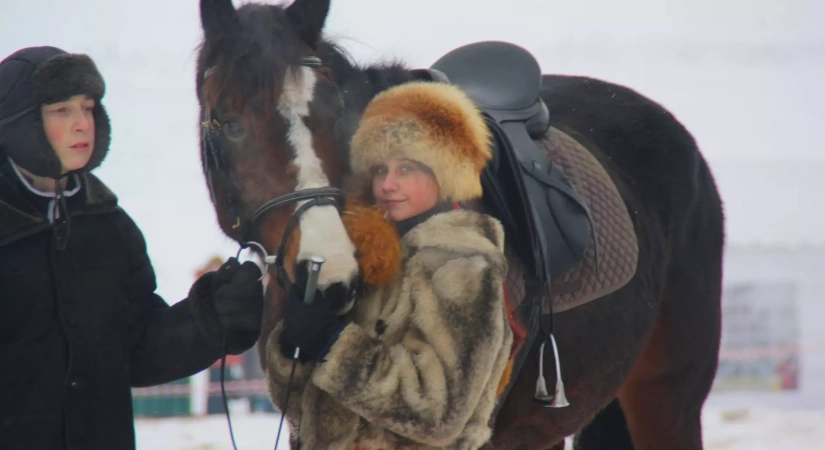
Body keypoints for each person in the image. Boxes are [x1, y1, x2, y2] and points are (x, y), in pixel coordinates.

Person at [0, 46, 265, 450]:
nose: (81, 124)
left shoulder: (109, 226)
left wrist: (212, 318)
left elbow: (137, 347)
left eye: (88, 108)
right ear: (19, 119)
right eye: (61, 111)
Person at [265, 81, 515, 450]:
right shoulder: (363, 258)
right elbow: (301, 409)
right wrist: (294, 347)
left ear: (446, 172)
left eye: (407, 168)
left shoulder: (465, 267)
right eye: (380, 170)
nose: (388, 184)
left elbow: (437, 412)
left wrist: (332, 344)